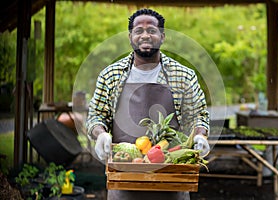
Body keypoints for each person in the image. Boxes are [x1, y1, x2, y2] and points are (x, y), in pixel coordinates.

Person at [86, 8, 210, 200]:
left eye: (152, 30)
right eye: (139, 31)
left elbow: (198, 115)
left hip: (172, 178)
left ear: (162, 36)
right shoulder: (110, 75)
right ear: (130, 37)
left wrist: (201, 136)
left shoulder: (184, 76)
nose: (145, 35)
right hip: (124, 177)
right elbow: (96, 115)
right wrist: (100, 134)